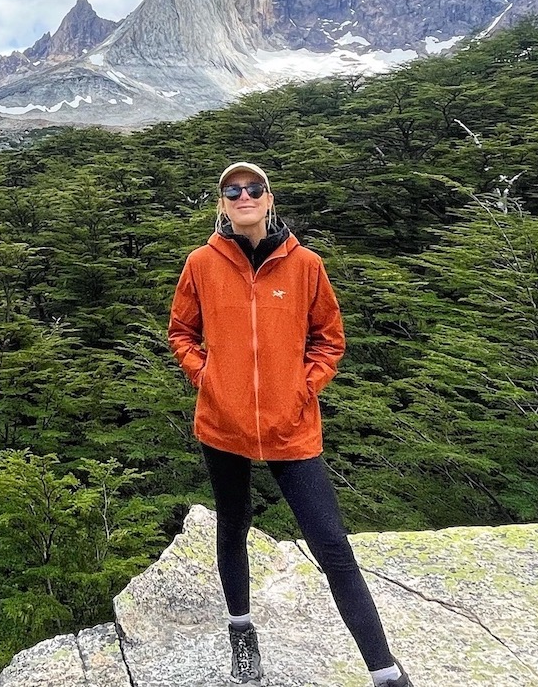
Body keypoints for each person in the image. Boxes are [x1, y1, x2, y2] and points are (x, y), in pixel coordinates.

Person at [168, 161, 412, 686]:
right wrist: (207, 378)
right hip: (223, 424)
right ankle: (242, 633)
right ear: (222, 204)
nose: (243, 196)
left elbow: (329, 340)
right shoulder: (201, 264)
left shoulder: (305, 266)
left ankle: (385, 671)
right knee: (231, 526)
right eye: (232, 191)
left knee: (332, 545)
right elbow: (181, 333)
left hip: (290, 426)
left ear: (269, 198)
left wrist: (304, 387)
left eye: (252, 188)